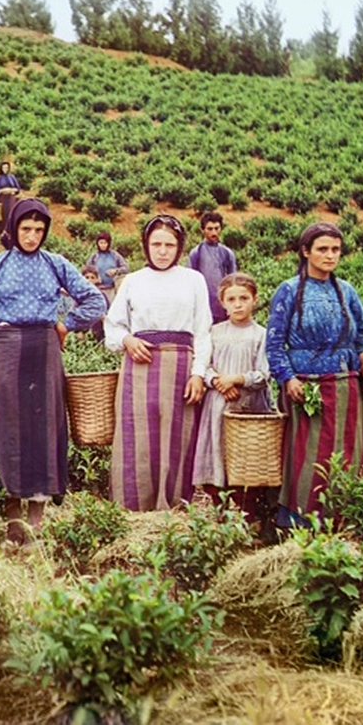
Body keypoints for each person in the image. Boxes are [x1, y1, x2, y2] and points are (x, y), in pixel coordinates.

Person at [0, 200, 106, 544]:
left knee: (43, 428)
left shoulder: (55, 264)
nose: (32, 236)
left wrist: (66, 325)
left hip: (45, 351)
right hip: (5, 350)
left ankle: (38, 516)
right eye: (25, 229)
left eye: (39, 230)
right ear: (14, 229)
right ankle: (12, 513)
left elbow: (95, 301)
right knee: (7, 428)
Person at [266, 222, 363, 524]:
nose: (330, 256)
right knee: (308, 458)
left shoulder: (347, 291)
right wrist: (287, 378)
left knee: (346, 454)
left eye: (336, 250)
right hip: (306, 389)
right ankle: (300, 524)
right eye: (323, 249)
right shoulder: (289, 291)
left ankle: (344, 522)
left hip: (345, 387)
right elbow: (275, 343)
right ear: (306, 252)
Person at [104, 215, 212, 512]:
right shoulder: (132, 281)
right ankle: (134, 507)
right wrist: (128, 341)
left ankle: (174, 505)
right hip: (139, 367)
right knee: (137, 435)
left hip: (180, 368)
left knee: (178, 436)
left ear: (179, 248)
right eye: (156, 244)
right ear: (146, 246)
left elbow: (203, 331)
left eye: (169, 244)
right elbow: (112, 326)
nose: (162, 251)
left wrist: (198, 374)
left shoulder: (193, 280)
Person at [193, 273, 273, 501]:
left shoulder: (261, 334)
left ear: (254, 299)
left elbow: (263, 374)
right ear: (222, 302)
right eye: (231, 299)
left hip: (249, 406)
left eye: (244, 298)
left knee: (246, 457)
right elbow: (203, 364)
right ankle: (219, 508)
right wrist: (218, 381)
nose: (238, 304)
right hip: (218, 404)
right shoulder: (215, 332)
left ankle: (248, 511)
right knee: (218, 450)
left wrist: (236, 379)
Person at [190, 212, 238, 324]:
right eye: (210, 229)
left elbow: (233, 281)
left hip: (223, 307)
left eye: (217, 228)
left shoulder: (227, 253)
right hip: (203, 305)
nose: (214, 232)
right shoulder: (196, 253)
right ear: (203, 230)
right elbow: (191, 282)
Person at [85, 232, 129, 305]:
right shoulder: (95, 257)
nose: (103, 245)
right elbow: (87, 270)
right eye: (101, 243)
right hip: (97, 289)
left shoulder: (115, 255)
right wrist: (94, 278)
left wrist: (116, 271)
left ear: (108, 243)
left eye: (105, 243)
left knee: (112, 309)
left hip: (111, 289)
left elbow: (126, 268)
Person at [0, 161, 21, 230]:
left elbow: (18, 188)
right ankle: (1, 231)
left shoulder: (12, 177)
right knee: (2, 215)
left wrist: (12, 190)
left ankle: (11, 230)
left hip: (11, 199)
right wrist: (2, 190)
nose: (5, 169)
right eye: (3, 168)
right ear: (1, 169)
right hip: (2, 199)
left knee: (11, 213)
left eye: (6, 167)